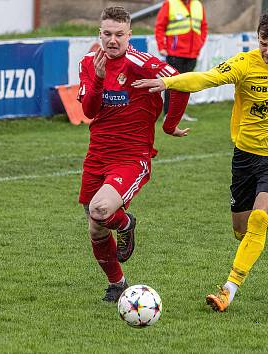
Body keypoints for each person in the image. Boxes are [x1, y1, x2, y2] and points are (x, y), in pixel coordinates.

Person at [133, 8, 268, 312]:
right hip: (246, 155)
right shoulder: (244, 64)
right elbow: (208, 78)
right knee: (241, 232)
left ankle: (229, 289)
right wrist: (168, 84)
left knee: (258, 218)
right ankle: (264, 216)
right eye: (263, 44)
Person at [78, 6, 191, 302]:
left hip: (131, 157)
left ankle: (126, 223)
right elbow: (88, 110)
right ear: (99, 33)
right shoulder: (90, 62)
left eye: (118, 34)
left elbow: (180, 84)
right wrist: (100, 79)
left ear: (130, 35)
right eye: (106, 34)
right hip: (97, 155)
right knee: (95, 226)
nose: (112, 40)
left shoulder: (143, 63)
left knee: (100, 210)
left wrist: (169, 124)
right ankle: (118, 284)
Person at [155, 0, 207, 121]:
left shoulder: (198, 4)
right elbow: (159, 27)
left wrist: (199, 45)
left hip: (192, 54)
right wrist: (161, 47)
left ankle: (180, 114)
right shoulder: (170, 3)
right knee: (172, 84)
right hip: (174, 53)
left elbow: (203, 27)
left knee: (186, 84)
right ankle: (168, 114)